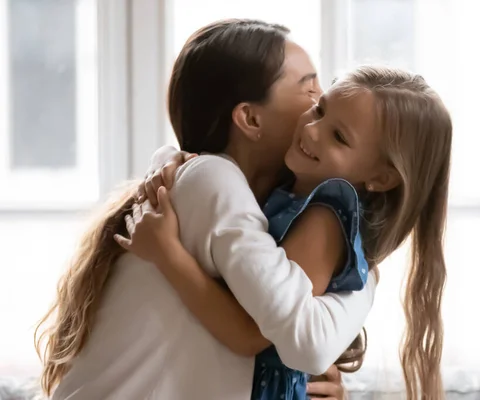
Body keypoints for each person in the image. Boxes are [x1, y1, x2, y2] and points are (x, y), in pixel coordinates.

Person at [35, 19, 375, 400]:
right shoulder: (213, 181)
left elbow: (278, 335)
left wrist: (310, 381)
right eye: (309, 87)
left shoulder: (252, 204)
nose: (322, 103)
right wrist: (367, 281)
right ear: (250, 118)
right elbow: (262, 334)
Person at [122, 64, 452, 400]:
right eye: (319, 109)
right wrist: (172, 160)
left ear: (381, 179)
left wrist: (168, 255)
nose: (311, 130)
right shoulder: (291, 196)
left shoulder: (324, 220)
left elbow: (251, 336)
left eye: (338, 136)